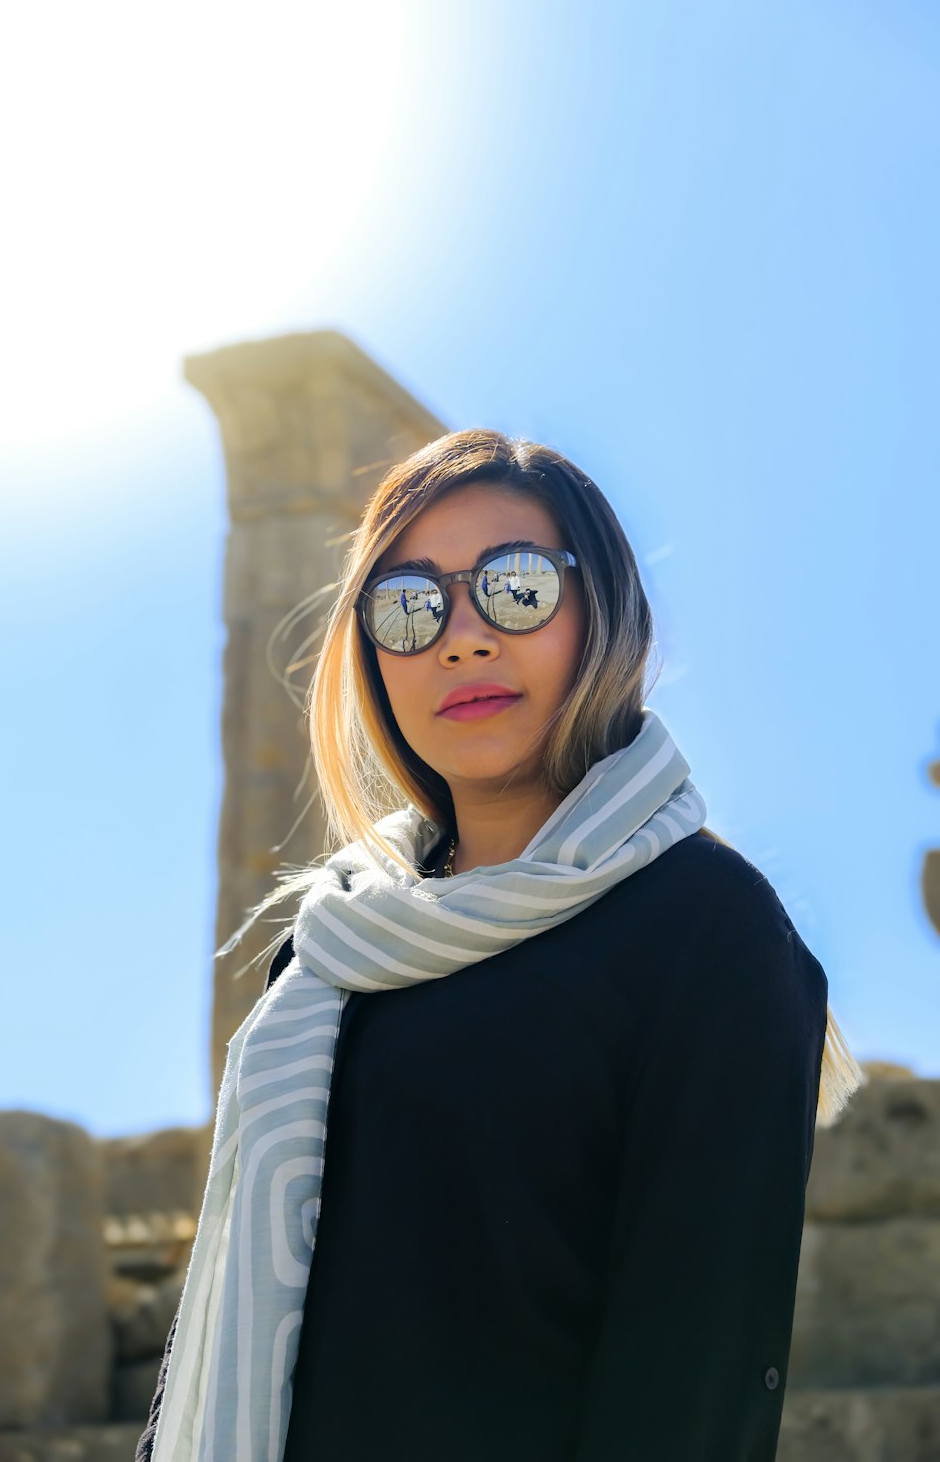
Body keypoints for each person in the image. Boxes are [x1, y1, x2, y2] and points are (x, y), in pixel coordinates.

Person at [138, 429, 861, 1462]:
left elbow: (694, 1386)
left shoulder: (709, 930)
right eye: (409, 604)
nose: (460, 637)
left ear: (601, 610)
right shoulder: (327, 954)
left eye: (515, 587)